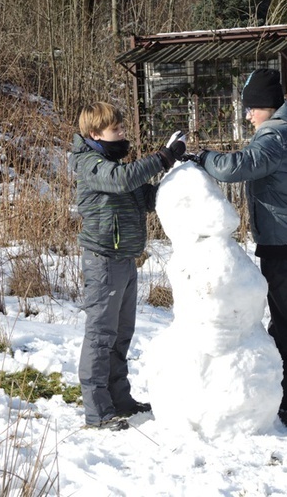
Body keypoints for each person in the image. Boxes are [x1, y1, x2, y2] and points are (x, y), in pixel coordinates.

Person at [193, 69, 287, 428]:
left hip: (285, 243)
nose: (248, 115)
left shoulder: (276, 136)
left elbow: (239, 166)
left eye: (252, 107)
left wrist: (202, 157)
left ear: (268, 106)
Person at [72, 101, 185, 430]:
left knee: (121, 334)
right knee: (100, 336)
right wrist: (163, 158)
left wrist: (181, 175)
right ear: (94, 133)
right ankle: (97, 412)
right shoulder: (91, 164)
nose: (122, 133)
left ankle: (119, 398)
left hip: (124, 257)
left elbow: (145, 198)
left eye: (123, 127)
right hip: (103, 260)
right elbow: (121, 181)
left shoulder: (114, 162)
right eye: (115, 129)